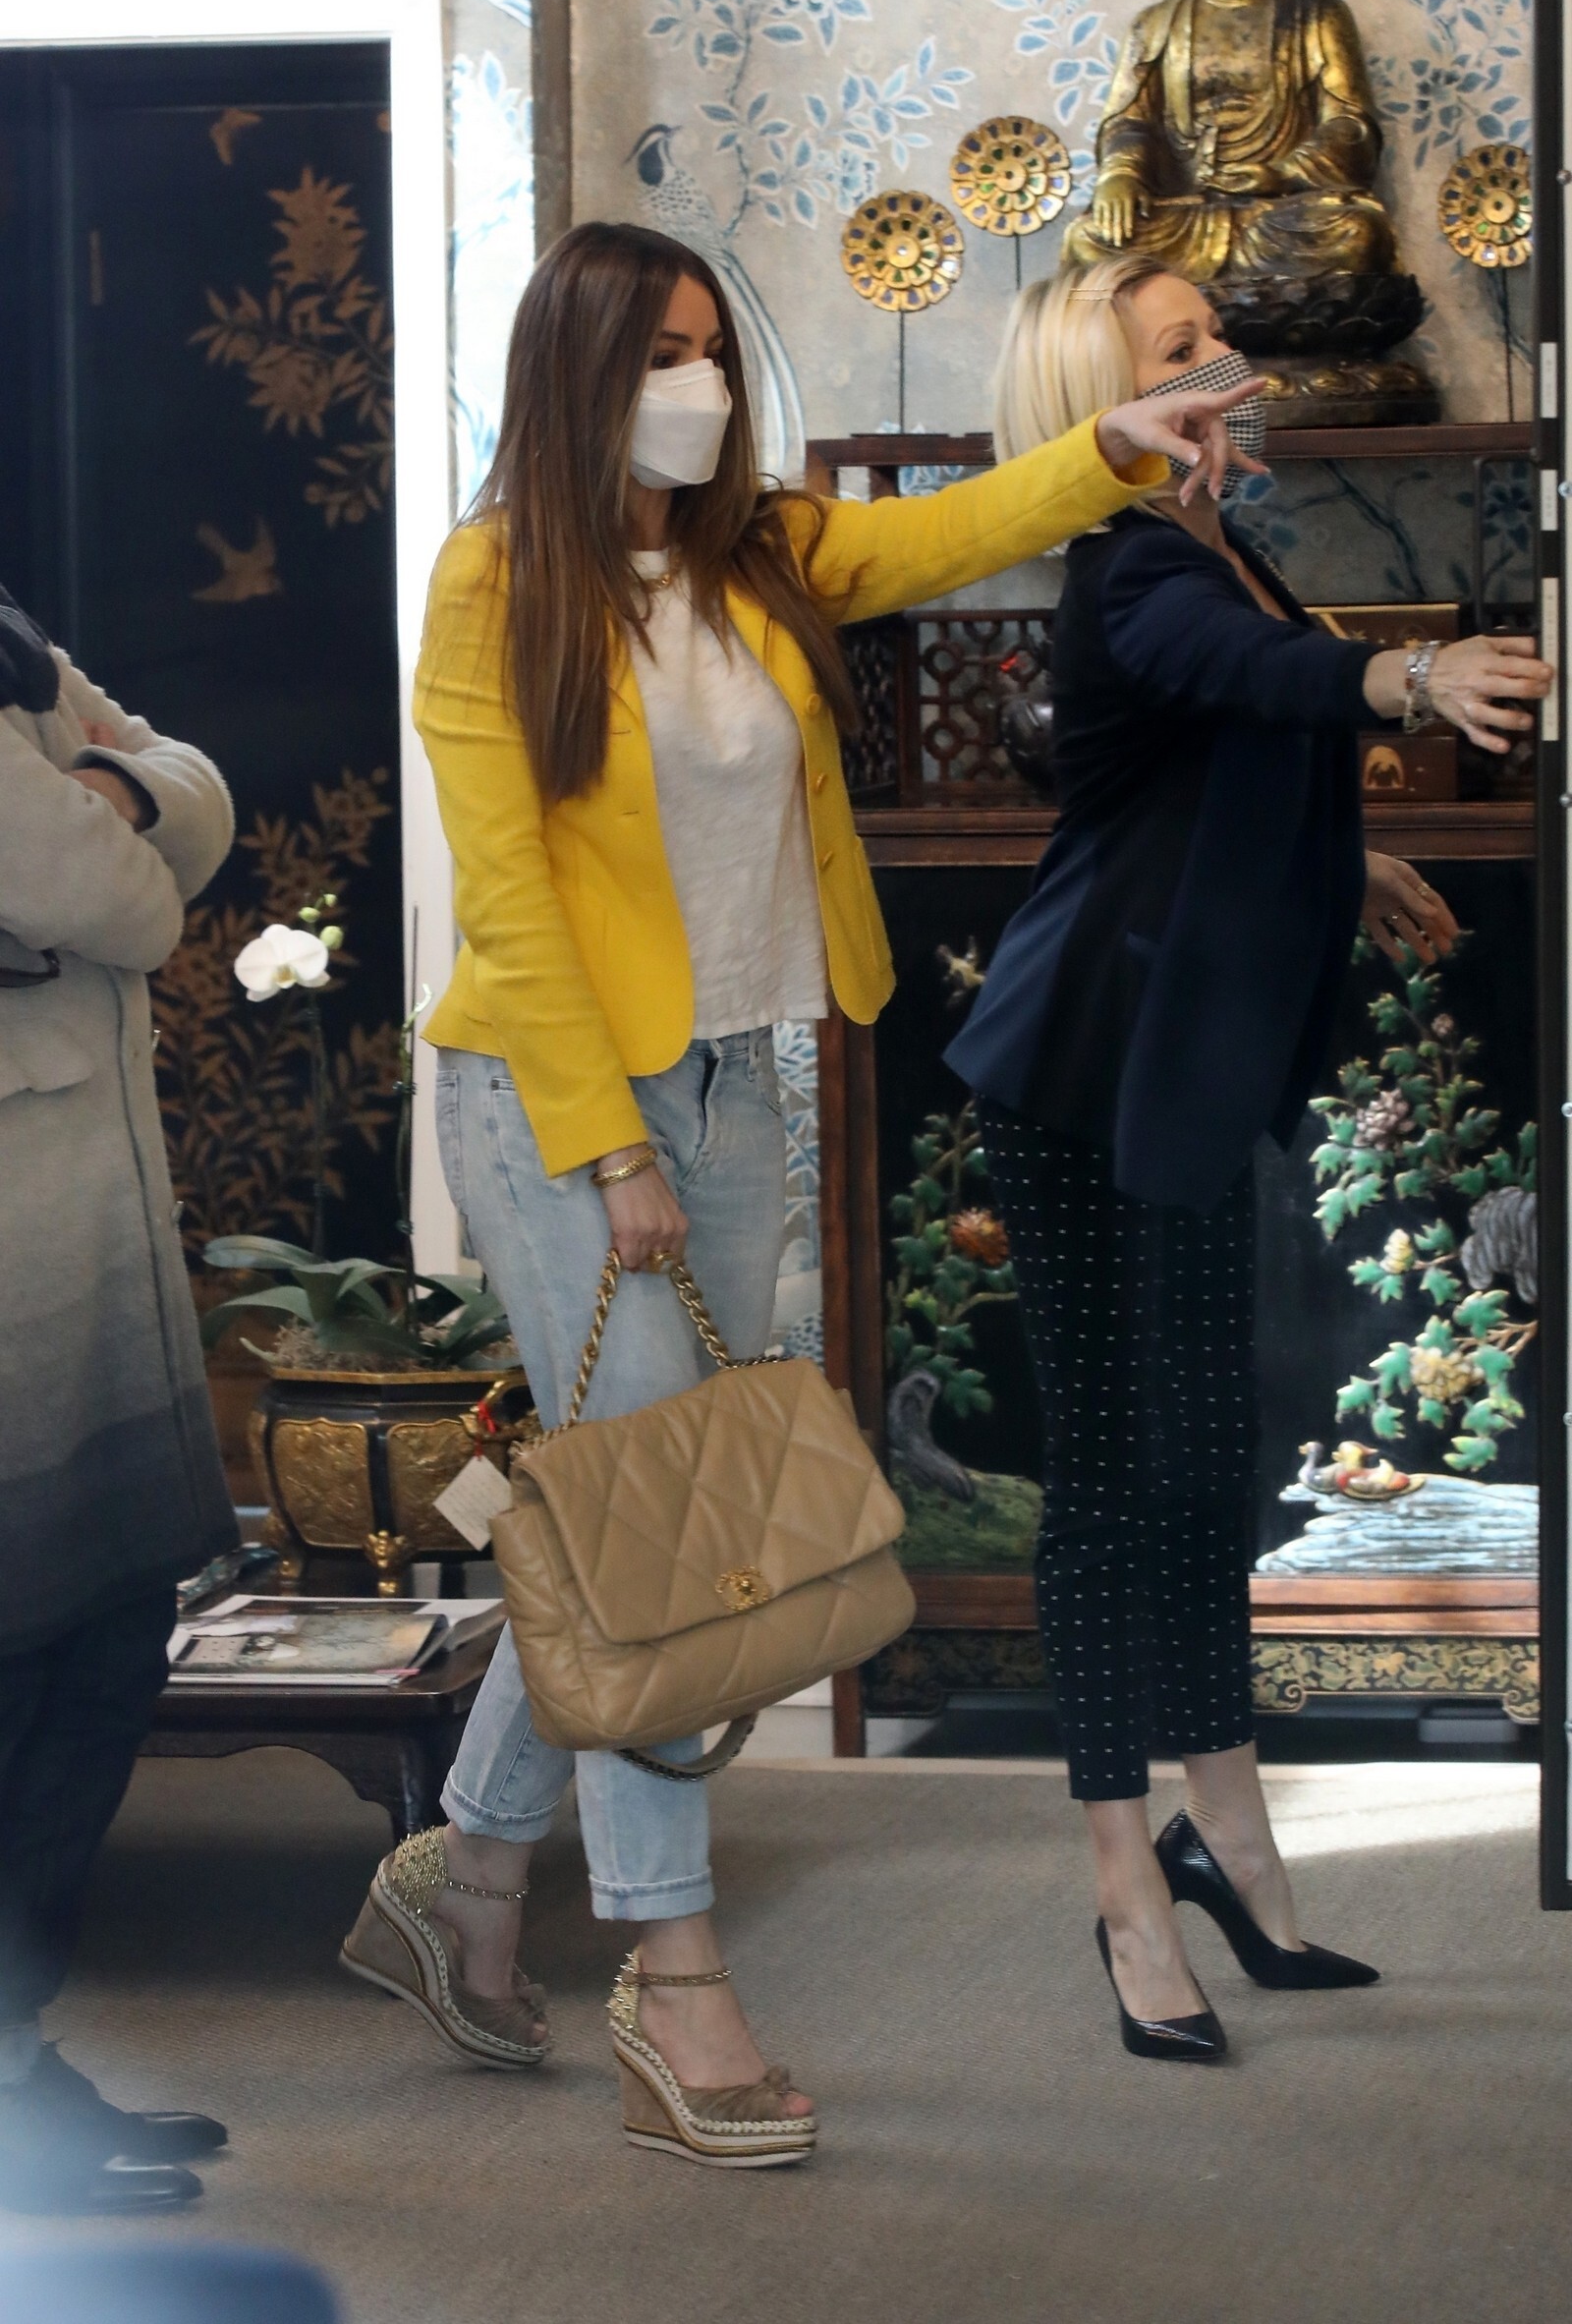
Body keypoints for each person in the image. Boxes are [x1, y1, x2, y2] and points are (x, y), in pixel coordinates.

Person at [337, 219, 1263, 2161]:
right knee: (667, 1539)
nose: (695, 384)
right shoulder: (490, 580)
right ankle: (674, 1985)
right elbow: (509, 895)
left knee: (633, 1511)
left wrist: (1114, 446)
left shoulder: (754, 546)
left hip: (738, 1075)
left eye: (709, 350)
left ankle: (469, 1874)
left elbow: (937, 535)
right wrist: (609, 1147)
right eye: (656, 356)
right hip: (556, 1096)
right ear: (576, 376)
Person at [947, 254, 1554, 2062]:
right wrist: (1415, 673)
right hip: (1080, 1071)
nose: (1229, 370)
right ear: (1105, 405)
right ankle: (1124, 1885)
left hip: (1185, 1070)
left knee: (1210, 1467)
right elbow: (1253, 679)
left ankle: (1232, 1835)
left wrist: (1351, 866)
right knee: (1111, 1486)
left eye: (1220, 340)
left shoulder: (1223, 547)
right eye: (1182, 351)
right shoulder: (1134, 563)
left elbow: (1210, 765)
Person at [0, 587, 238, 2205]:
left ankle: (15, 2053)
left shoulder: (8, 636)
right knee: (28, 1663)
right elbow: (122, 901)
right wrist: (114, 803)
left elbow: (199, 787)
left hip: (81, 1220)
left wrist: (117, 785)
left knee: (103, 1638)